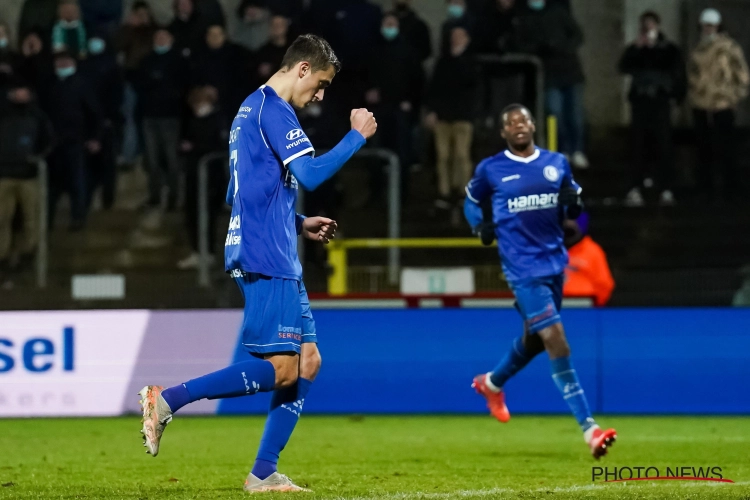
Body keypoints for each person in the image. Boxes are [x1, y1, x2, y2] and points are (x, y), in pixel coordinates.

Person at [137, 34, 378, 492]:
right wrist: (356, 137)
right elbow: (309, 173)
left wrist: (300, 220)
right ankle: (166, 399)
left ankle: (263, 472)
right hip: (268, 254)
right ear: (302, 69)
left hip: (271, 242)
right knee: (284, 369)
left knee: (308, 361)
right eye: (321, 83)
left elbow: (240, 193)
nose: (321, 95)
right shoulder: (274, 110)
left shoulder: (249, 110)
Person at [464, 104, 617, 459]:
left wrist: (574, 206)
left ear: (534, 126)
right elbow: (471, 203)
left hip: (554, 264)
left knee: (534, 341)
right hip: (521, 269)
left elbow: (573, 202)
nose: (518, 125)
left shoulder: (556, 163)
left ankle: (491, 383)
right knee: (555, 337)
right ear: (504, 132)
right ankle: (590, 430)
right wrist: (480, 226)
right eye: (510, 122)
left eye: (524, 120)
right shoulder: (491, 169)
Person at [619, 10, 686, 207]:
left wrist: (676, 97)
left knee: (663, 143)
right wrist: (636, 49)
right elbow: (624, 66)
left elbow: (678, 74)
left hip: (660, 101)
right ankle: (635, 187)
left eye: (651, 25)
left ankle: (665, 187)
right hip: (641, 101)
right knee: (638, 143)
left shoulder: (669, 49)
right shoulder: (636, 48)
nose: (648, 29)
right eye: (645, 25)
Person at [514, 0, 588, 169]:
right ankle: (563, 150)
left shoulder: (558, 12)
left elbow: (577, 36)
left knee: (575, 115)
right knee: (555, 114)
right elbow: (522, 44)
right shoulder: (525, 17)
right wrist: (542, 47)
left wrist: (561, 46)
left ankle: (577, 150)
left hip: (571, 73)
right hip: (549, 76)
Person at [688, 8, 749, 202]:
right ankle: (706, 187)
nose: (708, 29)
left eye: (711, 25)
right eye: (705, 25)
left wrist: (734, 98)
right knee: (704, 148)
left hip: (722, 104)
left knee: (726, 147)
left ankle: (730, 187)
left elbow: (742, 74)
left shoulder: (729, 47)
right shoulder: (697, 49)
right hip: (701, 104)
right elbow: (692, 75)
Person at [40, 51, 101, 231]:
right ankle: (47, 221)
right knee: (52, 187)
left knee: (77, 181)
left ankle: (78, 217)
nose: (62, 65)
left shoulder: (82, 85)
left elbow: (95, 113)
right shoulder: (49, 85)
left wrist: (95, 138)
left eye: (66, 61)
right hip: (53, 143)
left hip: (75, 140)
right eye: (59, 61)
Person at [365, 11, 424, 200]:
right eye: (386, 24)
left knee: (402, 153)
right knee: (375, 153)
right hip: (377, 111)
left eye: (392, 24)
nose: (389, 28)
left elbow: (417, 80)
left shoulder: (407, 51)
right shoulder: (372, 50)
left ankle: (402, 195)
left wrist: (410, 101)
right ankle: (376, 194)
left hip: (399, 109)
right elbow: (362, 77)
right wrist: (368, 91)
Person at [0, 86, 55, 282]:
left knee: (32, 217)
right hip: (4, 174)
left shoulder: (38, 116)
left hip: (29, 175)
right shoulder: (3, 114)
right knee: (2, 218)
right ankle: (3, 257)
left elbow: (48, 140)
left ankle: (28, 254)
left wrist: (37, 157)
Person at [426, 27, 479, 210]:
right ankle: (445, 192)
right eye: (453, 36)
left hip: (463, 116)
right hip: (443, 116)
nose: (456, 39)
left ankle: (463, 191)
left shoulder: (472, 62)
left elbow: (474, 90)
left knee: (461, 155)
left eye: (460, 36)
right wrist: (432, 111)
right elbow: (434, 88)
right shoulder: (443, 62)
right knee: (443, 156)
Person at [136, 28, 189, 210]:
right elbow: (140, 85)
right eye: (157, 36)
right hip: (149, 116)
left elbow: (182, 87)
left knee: (172, 158)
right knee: (152, 160)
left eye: (164, 36)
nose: (160, 39)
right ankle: (155, 196)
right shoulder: (146, 60)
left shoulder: (179, 61)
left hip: (171, 116)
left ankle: (174, 197)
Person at [176, 86, 228, 270]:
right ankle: (198, 251)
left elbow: (219, 146)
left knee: (207, 218)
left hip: (210, 179)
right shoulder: (193, 121)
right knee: (192, 216)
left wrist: (195, 147)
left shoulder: (217, 120)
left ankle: (207, 253)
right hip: (194, 177)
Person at [80, 33, 123, 210]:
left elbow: (117, 94)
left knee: (108, 162)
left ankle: (108, 198)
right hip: (86, 121)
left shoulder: (113, 66)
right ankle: (87, 198)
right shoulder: (83, 65)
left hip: (107, 120)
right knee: (88, 163)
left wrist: (109, 116)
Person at [191, 24, 252, 113]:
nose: (215, 37)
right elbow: (193, 78)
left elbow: (240, 79)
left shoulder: (237, 54)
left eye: (218, 34)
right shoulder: (198, 55)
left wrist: (219, 90)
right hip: (206, 102)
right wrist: (204, 89)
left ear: (224, 36)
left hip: (232, 103)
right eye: (211, 34)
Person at [562, 213, 615, 307]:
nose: (569, 225)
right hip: (553, 305)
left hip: (585, 304)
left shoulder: (593, 251)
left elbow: (605, 284)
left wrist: (596, 306)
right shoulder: (548, 249)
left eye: (573, 221)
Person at [254, 16, 292, 87]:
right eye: (273, 25)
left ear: (286, 27)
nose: (276, 28)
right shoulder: (263, 51)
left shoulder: (295, 50)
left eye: (280, 25)